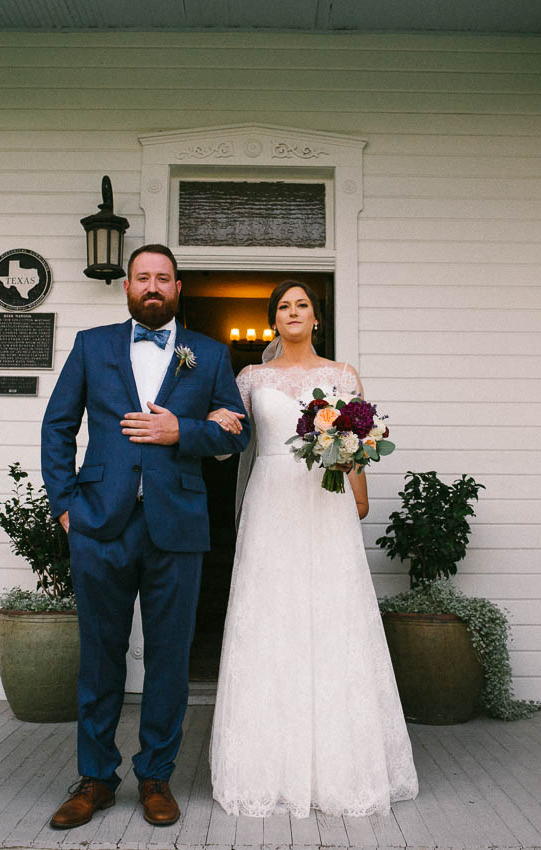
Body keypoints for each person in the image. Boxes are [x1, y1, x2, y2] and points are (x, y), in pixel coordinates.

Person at [40, 244, 250, 830]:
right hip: (100, 524)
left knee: (168, 658)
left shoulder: (207, 355)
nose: (152, 286)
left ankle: (156, 775)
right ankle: (95, 778)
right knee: (100, 657)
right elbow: (58, 425)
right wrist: (66, 508)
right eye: (142, 278)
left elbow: (238, 432)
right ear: (127, 287)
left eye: (163, 278)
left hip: (177, 526)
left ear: (179, 289)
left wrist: (180, 429)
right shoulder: (92, 345)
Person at [204, 279, 418, 817]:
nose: (292, 312)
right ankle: (266, 767)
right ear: (273, 320)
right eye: (283, 306)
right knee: (272, 621)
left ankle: (340, 768)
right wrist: (214, 421)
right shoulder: (251, 377)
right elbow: (230, 440)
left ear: (316, 318)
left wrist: (356, 490)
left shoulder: (342, 376)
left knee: (332, 620)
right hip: (271, 503)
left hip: (327, 508)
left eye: (302, 305)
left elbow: (358, 451)